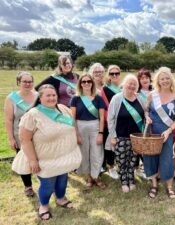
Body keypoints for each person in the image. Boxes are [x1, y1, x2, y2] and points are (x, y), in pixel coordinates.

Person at [12, 84, 81, 220]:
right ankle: (43, 206)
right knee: (48, 185)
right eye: (48, 95)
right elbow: (25, 140)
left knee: (62, 181)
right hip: (45, 159)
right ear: (40, 97)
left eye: (54, 95)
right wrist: (32, 160)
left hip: (63, 155)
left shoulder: (63, 109)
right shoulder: (32, 115)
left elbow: (72, 126)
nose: (51, 98)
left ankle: (60, 199)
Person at [144, 67, 175, 199]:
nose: (165, 81)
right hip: (152, 132)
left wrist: (169, 130)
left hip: (167, 132)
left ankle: (169, 186)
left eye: (167, 78)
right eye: (162, 79)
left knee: (167, 158)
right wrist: (147, 117)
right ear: (158, 81)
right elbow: (146, 110)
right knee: (150, 157)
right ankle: (154, 184)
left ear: (171, 80)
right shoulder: (151, 95)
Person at [106, 74, 145, 192]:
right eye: (129, 83)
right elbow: (110, 118)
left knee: (133, 159)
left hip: (136, 136)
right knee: (122, 160)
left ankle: (131, 179)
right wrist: (113, 136)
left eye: (134, 84)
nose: (132, 86)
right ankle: (124, 181)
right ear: (124, 84)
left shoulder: (139, 98)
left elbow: (145, 114)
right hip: (121, 136)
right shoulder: (117, 98)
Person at [4, 71, 38, 197]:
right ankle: (28, 186)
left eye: (30, 81)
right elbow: (8, 120)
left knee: (40, 159)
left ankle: (45, 182)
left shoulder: (37, 96)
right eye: (25, 81)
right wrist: (11, 138)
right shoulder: (11, 98)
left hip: (37, 135)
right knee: (24, 161)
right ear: (18, 82)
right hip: (20, 136)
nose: (28, 84)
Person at [70, 74, 106, 188]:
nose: (86, 83)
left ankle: (96, 176)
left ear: (92, 83)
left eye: (89, 81)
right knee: (84, 153)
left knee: (97, 153)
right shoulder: (75, 99)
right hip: (80, 127)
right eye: (84, 81)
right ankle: (89, 177)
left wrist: (100, 133)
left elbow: (101, 118)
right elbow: (73, 118)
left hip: (95, 126)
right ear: (80, 84)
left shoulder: (98, 98)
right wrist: (77, 134)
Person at [101, 65, 122, 179]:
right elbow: (105, 106)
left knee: (121, 144)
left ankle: (120, 165)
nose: (114, 75)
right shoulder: (105, 89)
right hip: (110, 121)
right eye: (111, 73)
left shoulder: (123, 87)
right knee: (110, 144)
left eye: (116, 73)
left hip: (123, 122)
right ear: (108, 75)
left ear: (119, 74)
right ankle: (111, 167)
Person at [135, 68, 152, 178]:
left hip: (153, 122)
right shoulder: (136, 93)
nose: (145, 80)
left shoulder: (155, 91)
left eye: (147, 77)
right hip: (140, 122)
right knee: (140, 145)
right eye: (142, 78)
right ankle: (138, 167)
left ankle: (148, 167)